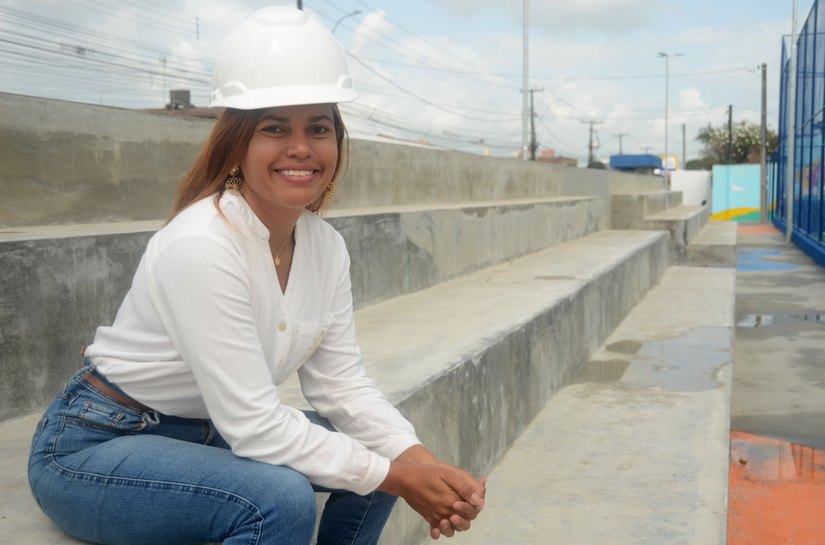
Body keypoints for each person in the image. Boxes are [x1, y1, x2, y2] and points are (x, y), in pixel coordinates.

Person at [27, 7, 485, 545]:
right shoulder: (204, 244)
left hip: (209, 436)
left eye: (318, 128)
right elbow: (254, 426)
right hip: (98, 444)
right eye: (275, 128)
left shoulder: (326, 247)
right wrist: (401, 478)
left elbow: (341, 384)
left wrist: (420, 466)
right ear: (239, 144)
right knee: (278, 499)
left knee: (375, 454)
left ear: (337, 143)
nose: (301, 147)